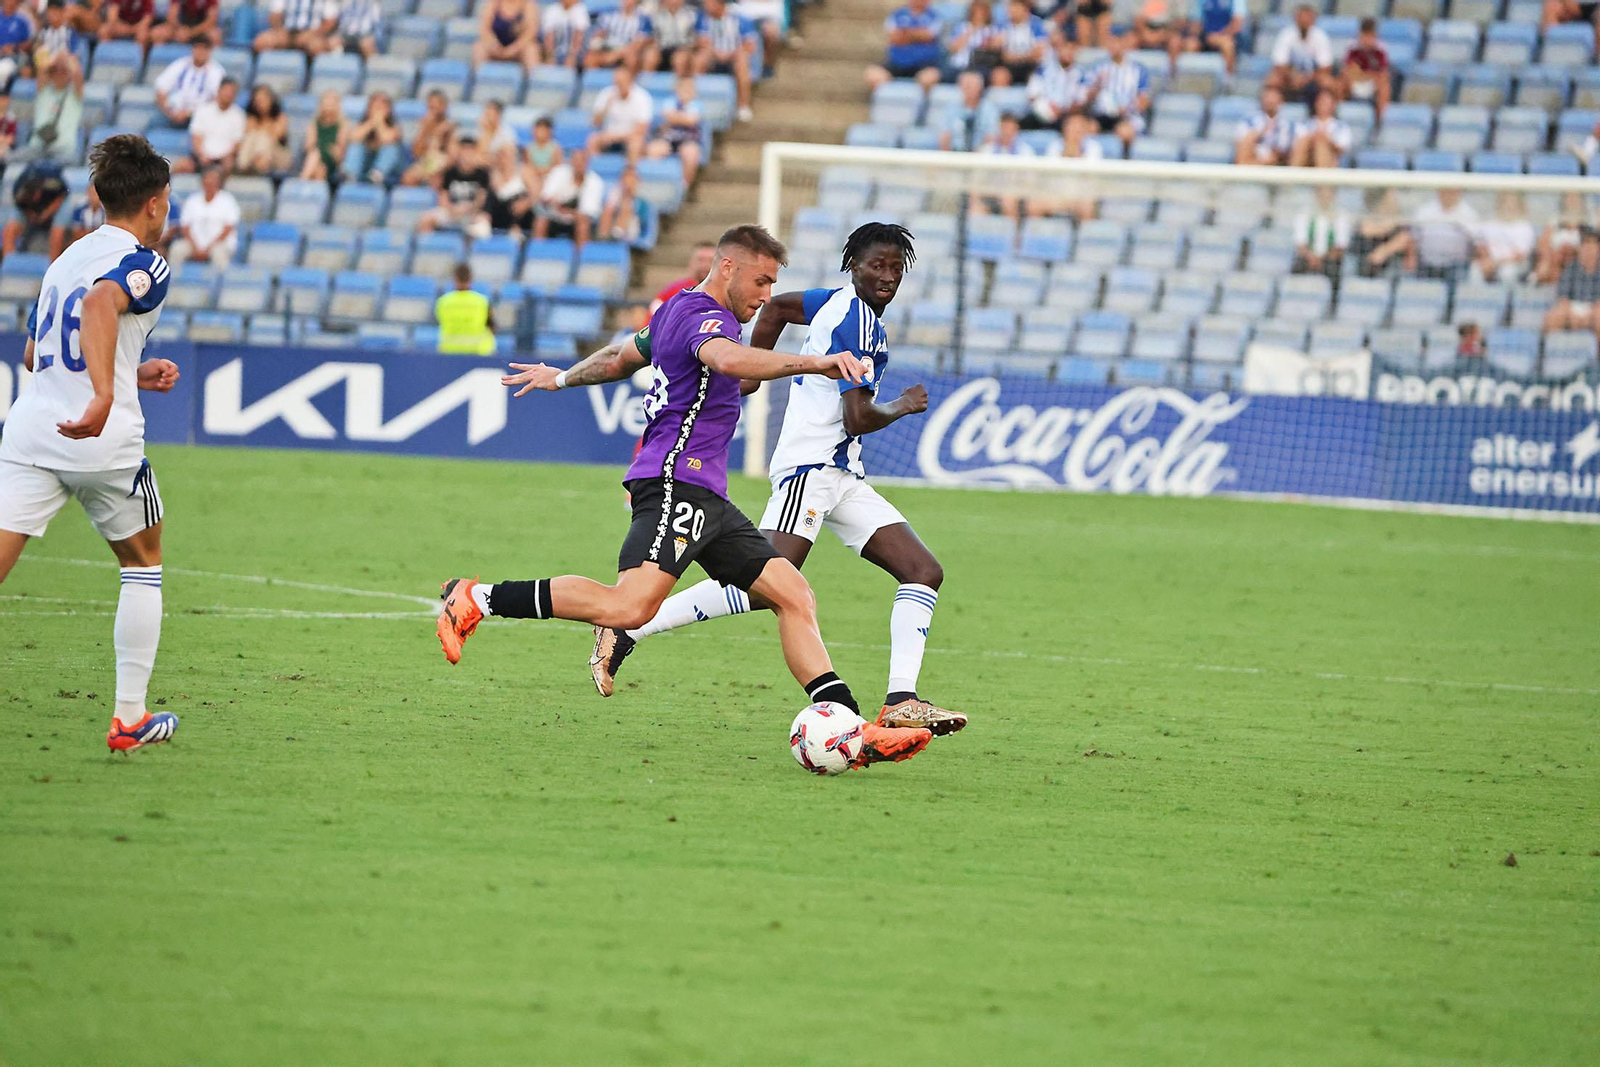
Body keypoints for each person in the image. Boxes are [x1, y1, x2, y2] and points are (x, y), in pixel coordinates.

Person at [446, 225, 934, 768]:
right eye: (761, 281)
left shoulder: (673, 311)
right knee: (628, 606)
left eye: (773, 284)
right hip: (676, 480)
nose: (767, 296)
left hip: (708, 492)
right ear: (728, 267)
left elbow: (619, 358)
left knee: (793, 595)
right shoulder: (707, 319)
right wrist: (817, 361)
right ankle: (477, 598)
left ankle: (854, 729)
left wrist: (561, 379)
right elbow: (728, 360)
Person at [0, 134, 181, 754]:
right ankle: (130, 717)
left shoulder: (64, 259)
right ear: (154, 203)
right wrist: (106, 392)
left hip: (31, 431)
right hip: (99, 439)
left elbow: (36, 354)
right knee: (143, 561)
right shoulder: (144, 261)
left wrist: (130, 371)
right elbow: (103, 304)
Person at [1084, 30, 1148, 151]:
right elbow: (1086, 98)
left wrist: (1127, 108)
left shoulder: (1138, 69)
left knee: (1125, 132)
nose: (1114, 46)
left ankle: (1124, 160)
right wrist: (1097, 86)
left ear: (1125, 44)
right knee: (1087, 129)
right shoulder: (1096, 67)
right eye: (1111, 42)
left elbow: (1143, 101)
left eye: (1117, 42)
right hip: (1101, 115)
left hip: (1126, 116)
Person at [166, 163, 238, 269]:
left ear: (218, 182)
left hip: (218, 244)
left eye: (213, 180)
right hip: (193, 244)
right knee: (177, 249)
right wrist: (195, 247)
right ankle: (174, 278)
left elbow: (228, 228)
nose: (209, 183)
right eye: (207, 180)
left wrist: (208, 248)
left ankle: (220, 279)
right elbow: (185, 227)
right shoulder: (193, 200)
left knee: (219, 254)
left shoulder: (227, 200)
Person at [695, 0, 756, 122]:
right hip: (712, 56)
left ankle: (743, 106)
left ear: (720, 4)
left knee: (742, 62)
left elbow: (750, 46)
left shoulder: (740, 19)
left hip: (734, 56)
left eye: (709, 3)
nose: (706, 5)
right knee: (699, 59)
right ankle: (694, 101)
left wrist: (731, 54)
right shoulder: (702, 18)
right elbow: (701, 42)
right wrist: (716, 53)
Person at [420, 133, 491, 237]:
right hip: (451, 211)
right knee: (426, 219)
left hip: (473, 213)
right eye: (464, 151)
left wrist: (468, 209)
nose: (466, 155)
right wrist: (453, 210)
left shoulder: (482, 174)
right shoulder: (450, 172)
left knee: (483, 224)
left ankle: (470, 246)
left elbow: (481, 199)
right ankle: (428, 245)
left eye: (470, 151)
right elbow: (443, 197)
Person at [865, 0, 943, 93]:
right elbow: (894, 38)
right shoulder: (897, 14)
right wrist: (918, 35)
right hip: (897, 62)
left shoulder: (935, 16)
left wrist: (906, 34)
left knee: (929, 78)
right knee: (873, 75)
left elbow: (929, 36)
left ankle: (922, 101)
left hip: (925, 63)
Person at [173, 75, 244, 174]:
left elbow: (237, 143)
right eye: (226, 90)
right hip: (202, 157)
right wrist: (201, 155)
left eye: (231, 92)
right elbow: (196, 137)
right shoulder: (203, 110)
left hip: (224, 159)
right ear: (219, 91)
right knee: (180, 166)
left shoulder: (238, 115)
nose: (228, 94)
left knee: (228, 166)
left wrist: (226, 157)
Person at [532, 146, 601, 246]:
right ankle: (537, 252)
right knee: (541, 220)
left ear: (587, 163)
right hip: (555, 217)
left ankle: (581, 254)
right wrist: (554, 203)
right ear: (571, 162)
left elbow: (587, 213)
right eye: (576, 160)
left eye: (582, 161)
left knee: (583, 225)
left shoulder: (595, 182)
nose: (578, 164)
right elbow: (545, 197)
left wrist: (567, 211)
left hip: (576, 220)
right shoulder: (558, 173)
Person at [4, 157, 69, 257]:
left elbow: (62, 195)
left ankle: (53, 263)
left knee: (57, 231)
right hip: (31, 210)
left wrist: (45, 214)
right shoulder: (19, 189)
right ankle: (10, 262)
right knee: (9, 229)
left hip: (55, 205)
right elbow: (19, 205)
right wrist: (32, 215)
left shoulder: (53, 184)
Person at [645, 74, 703, 186]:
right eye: (683, 88)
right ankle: (656, 182)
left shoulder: (697, 105)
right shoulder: (669, 102)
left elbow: (691, 121)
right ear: (677, 90)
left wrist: (675, 117)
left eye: (689, 89)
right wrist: (682, 118)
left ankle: (684, 186)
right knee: (653, 150)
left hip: (688, 140)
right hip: (669, 138)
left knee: (691, 153)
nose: (686, 92)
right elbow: (669, 116)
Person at [25, 52, 84, 160]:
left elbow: (78, 75)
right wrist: (57, 59)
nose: (59, 73)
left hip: (63, 150)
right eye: (54, 70)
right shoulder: (43, 92)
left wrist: (67, 60)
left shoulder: (75, 95)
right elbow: (42, 68)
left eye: (64, 71)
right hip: (37, 148)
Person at [1270, 3, 1333, 103]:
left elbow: (1325, 67)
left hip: (1313, 78)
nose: (1304, 21)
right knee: (1272, 80)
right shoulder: (1286, 35)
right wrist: (1293, 75)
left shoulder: (1320, 37)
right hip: (1290, 77)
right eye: (1301, 18)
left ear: (1313, 20)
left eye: (1307, 18)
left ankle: (1324, 109)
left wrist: (1307, 78)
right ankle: (1271, 107)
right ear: (1295, 19)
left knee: (1327, 82)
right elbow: (1279, 64)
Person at [153, 37, 223, 128]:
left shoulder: (216, 71)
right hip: (172, 113)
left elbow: (217, 100)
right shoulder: (180, 64)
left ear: (210, 51)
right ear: (192, 50)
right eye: (197, 48)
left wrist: (189, 113)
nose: (200, 52)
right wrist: (169, 112)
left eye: (204, 49)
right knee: (153, 124)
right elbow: (161, 90)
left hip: (198, 116)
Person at [587, 63, 652, 162]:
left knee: (636, 144)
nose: (619, 85)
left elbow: (641, 130)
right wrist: (606, 106)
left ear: (630, 80)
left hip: (629, 137)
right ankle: (595, 167)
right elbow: (595, 123)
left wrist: (616, 137)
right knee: (593, 140)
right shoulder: (606, 94)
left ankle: (631, 169)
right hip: (608, 137)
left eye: (622, 82)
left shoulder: (642, 97)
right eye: (616, 82)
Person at [1544, 227, 1600, 334]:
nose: (1590, 248)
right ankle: (1554, 344)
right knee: (1553, 318)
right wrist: (1571, 315)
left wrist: (1589, 316)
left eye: (1594, 244)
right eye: (1586, 244)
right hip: (1573, 306)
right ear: (1580, 247)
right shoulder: (1570, 268)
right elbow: (1563, 298)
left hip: (1595, 308)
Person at [1024, 38, 1087, 132]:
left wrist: (1062, 111)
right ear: (1058, 51)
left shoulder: (1081, 74)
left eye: (1072, 49)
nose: (1068, 53)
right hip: (1042, 113)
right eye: (1065, 49)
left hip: (1065, 115)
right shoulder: (1044, 69)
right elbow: (1032, 94)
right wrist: (1048, 106)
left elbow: (1081, 101)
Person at [1473, 192, 1535, 284]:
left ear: (1519, 207)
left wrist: (1494, 263)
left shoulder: (1524, 227)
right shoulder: (1488, 225)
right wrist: (1485, 260)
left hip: (1514, 265)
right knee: (1475, 270)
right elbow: (1479, 247)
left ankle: (1508, 294)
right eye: (1505, 203)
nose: (1508, 207)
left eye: (1513, 204)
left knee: (1507, 272)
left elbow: (1519, 256)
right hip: (1490, 262)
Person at [435, 262, 496, 354]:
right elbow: (492, 327)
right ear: (471, 278)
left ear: (454, 278)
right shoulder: (482, 302)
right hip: (478, 352)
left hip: (450, 351)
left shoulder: (443, 302)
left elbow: (439, 321)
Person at [345, 90, 403, 185]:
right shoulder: (363, 123)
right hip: (365, 163)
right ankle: (349, 175)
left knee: (390, 148)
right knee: (355, 146)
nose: (377, 111)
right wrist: (371, 122)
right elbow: (354, 137)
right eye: (375, 107)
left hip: (388, 170)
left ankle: (377, 174)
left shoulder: (395, 127)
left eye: (381, 107)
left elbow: (386, 139)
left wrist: (379, 122)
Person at [400, 88, 455, 187]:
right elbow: (416, 153)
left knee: (435, 179)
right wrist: (424, 131)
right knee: (408, 178)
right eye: (431, 107)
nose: (433, 110)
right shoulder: (423, 125)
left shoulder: (450, 127)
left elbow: (452, 156)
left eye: (437, 106)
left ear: (444, 106)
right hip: (426, 161)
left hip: (443, 163)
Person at [1291, 185, 1349, 278]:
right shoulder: (1304, 213)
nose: (1325, 198)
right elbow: (1300, 244)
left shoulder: (1341, 215)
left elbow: (1340, 246)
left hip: (1329, 259)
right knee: (1297, 267)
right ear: (1316, 195)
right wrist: (1312, 258)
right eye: (1322, 194)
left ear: (1334, 195)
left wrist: (1322, 259)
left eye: (1328, 194)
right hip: (1307, 258)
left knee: (1333, 269)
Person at [942, 1, 1003, 85]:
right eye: (976, 12)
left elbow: (997, 47)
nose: (979, 15)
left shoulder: (993, 29)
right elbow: (953, 49)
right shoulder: (962, 27)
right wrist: (971, 31)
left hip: (981, 66)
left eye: (982, 12)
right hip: (959, 65)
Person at [1340, 17, 1390, 118]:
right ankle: (1339, 115)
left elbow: (1383, 74)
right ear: (1360, 35)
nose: (1367, 40)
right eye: (1365, 36)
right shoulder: (1352, 48)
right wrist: (1366, 75)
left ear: (1375, 36)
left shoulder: (1381, 50)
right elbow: (1347, 71)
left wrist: (1363, 75)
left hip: (1372, 85)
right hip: (1354, 82)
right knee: (1340, 84)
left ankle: (1380, 120)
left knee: (1384, 87)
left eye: (1370, 36)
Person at [1288, 88, 1351, 168]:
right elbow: (1297, 145)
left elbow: (1342, 149)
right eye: (1321, 101)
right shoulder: (1305, 124)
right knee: (1305, 141)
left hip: (1332, 161)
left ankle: (1321, 172)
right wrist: (1312, 138)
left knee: (1321, 145)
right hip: (1307, 158)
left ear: (1333, 106)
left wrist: (1327, 141)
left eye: (1326, 102)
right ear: (1316, 104)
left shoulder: (1341, 127)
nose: (1323, 105)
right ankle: (1294, 170)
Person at [236, 83, 290, 175]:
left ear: (271, 100)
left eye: (263, 100)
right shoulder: (251, 119)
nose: (260, 103)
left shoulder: (280, 118)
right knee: (251, 137)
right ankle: (243, 167)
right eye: (257, 101)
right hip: (253, 155)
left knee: (263, 137)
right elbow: (246, 137)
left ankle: (255, 168)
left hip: (277, 155)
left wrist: (262, 128)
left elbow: (275, 136)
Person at [1180, 0, 1246, 75]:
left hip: (1226, 36)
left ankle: (1229, 77)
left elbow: (1236, 25)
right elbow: (1196, 22)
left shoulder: (1236, 1)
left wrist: (1218, 35)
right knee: (1190, 45)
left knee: (1227, 45)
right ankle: (1191, 77)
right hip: (1206, 35)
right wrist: (1202, 35)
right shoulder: (1201, 1)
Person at [939, 68, 999, 150]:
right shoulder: (951, 108)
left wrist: (977, 154)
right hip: (955, 153)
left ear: (980, 87)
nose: (969, 89)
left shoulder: (989, 109)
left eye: (972, 85)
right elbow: (944, 136)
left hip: (980, 154)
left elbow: (991, 137)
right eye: (966, 85)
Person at [473, 0, 541, 71]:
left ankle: (534, 76)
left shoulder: (528, 4)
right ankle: (480, 75)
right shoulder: (493, 3)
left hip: (519, 49)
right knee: (479, 48)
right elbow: (485, 29)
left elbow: (530, 32)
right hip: (496, 47)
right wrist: (494, 45)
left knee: (531, 50)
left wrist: (513, 49)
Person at [1234, 85, 1293, 165]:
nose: (1270, 101)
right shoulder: (1248, 121)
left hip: (1277, 159)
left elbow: (1283, 147)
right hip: (1254, 154)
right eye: (1267, 97)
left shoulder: (1287, 124)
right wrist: (1260, 133)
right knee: (1249, 138)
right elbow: (1241, 142)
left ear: (1281, 101)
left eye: (1274, 97)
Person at [298, 88, 348, 182]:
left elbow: (339, 154)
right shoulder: (314, 123)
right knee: (318, 167)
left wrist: (333, 151)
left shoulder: (342, 125)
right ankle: (305, 181)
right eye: (326, 103)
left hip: (330, 161)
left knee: (316, 158)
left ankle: (301, 181)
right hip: (315, 158)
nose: (329, 107)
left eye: (332, 104)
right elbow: (308, 146)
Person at [252, 0, 336, 55]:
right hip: (286, 33)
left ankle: (308, 75)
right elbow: (275, 15)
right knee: (261, 42)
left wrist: (312, 34)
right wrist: (279, 30)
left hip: (311, 35)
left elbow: (330, 21)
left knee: (317, 47)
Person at [585, 0, 650, 70]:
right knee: (589, 58)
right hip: (609, 47)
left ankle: (626, 76)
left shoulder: (643, 18)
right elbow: (600, 32)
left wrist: (617, 54)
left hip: (627, 49)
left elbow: (639, 42)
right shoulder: (610, 13)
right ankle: (596, 76)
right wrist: (596, 41)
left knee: (632, 59)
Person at [651, 241, 713, 313]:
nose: (705, 265)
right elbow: (653, 315)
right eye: (700, 260)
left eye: (711, 261)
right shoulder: (672, 291)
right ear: (691, 263)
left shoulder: (723, 293)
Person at [647, 0, 697, 75]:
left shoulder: (691, 15)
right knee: (650, 57)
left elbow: (696, 38)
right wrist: (653, 46)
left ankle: (679, 82)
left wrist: (688, 48)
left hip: (682, 48)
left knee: (680, 59)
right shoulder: (655, 15)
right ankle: (647, 81)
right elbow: (651, 36)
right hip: (661, 49)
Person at [50, 180, 101, 254]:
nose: (94, 197)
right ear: (88, 193)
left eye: (96, 194)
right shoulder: (80, 209)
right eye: (92, 193)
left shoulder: (106, 210)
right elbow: (77, 233)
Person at [598, 163, 645, 243]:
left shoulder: (642, 194)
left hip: (634, 224)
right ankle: (602, 237)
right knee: (607, 210)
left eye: (631, 176)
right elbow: (609, 208)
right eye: (626, 176)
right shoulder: (616, 191)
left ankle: (616, 236)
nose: (628, 180)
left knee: (626, 207)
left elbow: (641, 213)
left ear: (637, 179)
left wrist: (629, 195)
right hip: (614, 221)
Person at [541, 0, 590, 68]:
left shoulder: (580, 9)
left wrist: (571, 56)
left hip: (575, 53)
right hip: (555, 51)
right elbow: (548, 37)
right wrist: (551, 56)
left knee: (572, 62)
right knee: (548, 61)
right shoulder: (551, 10)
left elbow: (579, 37)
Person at [150, 0, 221, 46]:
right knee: (157, 33)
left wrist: (191, 32)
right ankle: (157, 63)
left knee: (215, 36)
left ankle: (209, 63)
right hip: (181, 25)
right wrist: (179, 29)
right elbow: (172, 16)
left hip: (200, 27)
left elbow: (211, 20)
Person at [523, 115, 562, 196]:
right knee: (525, 172)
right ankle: (535, 195)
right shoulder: (529, 148)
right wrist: (537, 172)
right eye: (537, 129)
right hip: (534, 177)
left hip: (549, 176)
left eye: (542, 130)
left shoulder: (555, 148)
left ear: (549, 132)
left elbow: (557, 167)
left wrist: (544, 171)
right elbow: (529, 165)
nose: (539, 132)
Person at [0, 0, 30, 88]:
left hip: (14, 57)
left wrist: (14, 48)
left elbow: (28, 43)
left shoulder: (22, 20)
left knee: (3, 70)